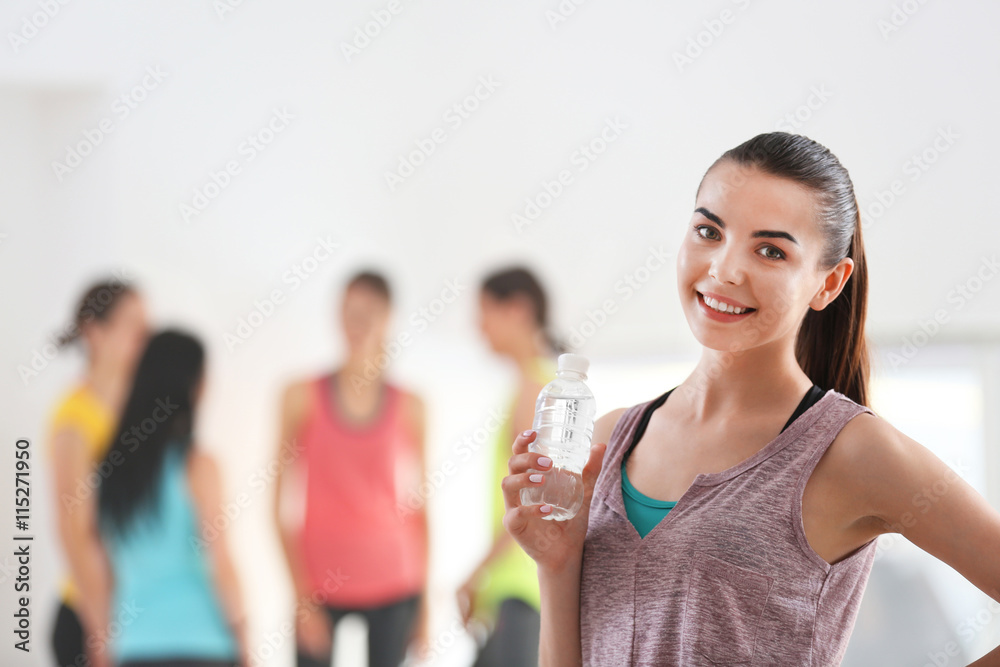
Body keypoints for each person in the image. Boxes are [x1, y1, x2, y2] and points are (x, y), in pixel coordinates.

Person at [501, 132, 1000, 665]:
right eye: (708, 231)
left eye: (770, 250)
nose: (724, 269)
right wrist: (556, 564)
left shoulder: (850, 450)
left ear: (829, 283)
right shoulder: (608, 439)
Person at [273, 270, 429, 667]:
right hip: (319, 585)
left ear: (388, 318)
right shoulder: (299, 396)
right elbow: (276, 504)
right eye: (347, 311)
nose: (355, 323)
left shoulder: (411, 405)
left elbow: (421, 506)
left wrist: (425, 603)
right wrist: (301, 596)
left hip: (394, 581)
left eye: (367, 313)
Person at [95, 330, 247, 667]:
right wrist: (246, 641)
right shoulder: (199, 466)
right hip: (203, 645)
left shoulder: (109, 471)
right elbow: (221, 563)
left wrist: (104, 644)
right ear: (192, 384)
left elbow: (107, 572)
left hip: (134, 647)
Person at [457, 267, 560, 667]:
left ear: (517, 309)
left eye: (485, 311)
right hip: (512, 591)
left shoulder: (536, 391)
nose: (478, 326)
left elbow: (532, 507)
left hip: (522, 591)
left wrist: (472, 577)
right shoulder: (532, 386)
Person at [46, 278, 149, 667]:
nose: (144, 336)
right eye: (133, 325)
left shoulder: (141, 410)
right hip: (93, 621)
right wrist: (102, 630)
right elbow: (74, 532)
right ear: (94, 332)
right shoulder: (75, 420)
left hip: (138, 613)